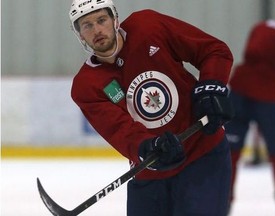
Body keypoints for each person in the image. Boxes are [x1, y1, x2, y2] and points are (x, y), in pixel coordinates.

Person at [69, 0, 234, 215]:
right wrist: (146, 146)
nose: (97, 30)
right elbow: (119, 129)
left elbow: (213, 51)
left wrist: (210, 89)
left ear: (114, 19)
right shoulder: (86, 85)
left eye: (101, 20)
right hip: (150, 171)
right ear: (80, 34)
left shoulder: (148, 26)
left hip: (202, 156)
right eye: (87, 25)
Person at [225, 0, 275, 215]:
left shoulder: (260, 28)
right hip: (268, 97)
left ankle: (222, 202)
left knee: (230, 153)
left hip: (239, 91)